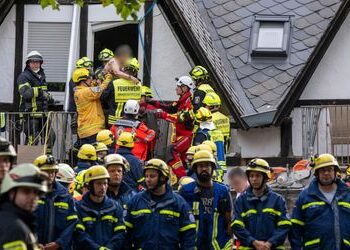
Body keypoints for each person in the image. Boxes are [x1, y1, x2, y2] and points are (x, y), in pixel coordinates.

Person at [124, 158, 196, 249]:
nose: (148, 180)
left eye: (152, 176)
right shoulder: (135, 202)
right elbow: (125, 235)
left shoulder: (178, 203)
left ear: (163, 178)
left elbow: (188, 235)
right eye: (146, 176)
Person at [290, 153, 350, 249]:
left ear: (335, 172)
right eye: (322, 170)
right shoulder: (305, 196)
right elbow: (295, 228)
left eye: (330, 169)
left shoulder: (347, 194)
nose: (326, 173)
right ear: (317, 173)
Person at [232, 158, 290, 250]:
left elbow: (284, 226)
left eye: (258, 176)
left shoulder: (278, 200)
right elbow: (237, 226)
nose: (254, 179)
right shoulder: (241, 201)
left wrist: (270, 243)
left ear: (266, 177)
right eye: (251, 176)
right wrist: (253, 242)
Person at [179, 150, 232, 250]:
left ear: (212, 168)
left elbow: (229, 221)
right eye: (200, 166)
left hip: (218, 246)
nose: (204, 169)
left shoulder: (222, 191)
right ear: (195, 169)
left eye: (207, 166)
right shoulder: (186, 191)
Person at [151, 76, 195, 180]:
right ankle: (187, 178)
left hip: (187, 136)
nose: (176, 89)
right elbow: (171, 108)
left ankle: (183, 178)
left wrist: (163, 115)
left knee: (171, 151)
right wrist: (154, 103)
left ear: (184, 88)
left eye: (178, 86)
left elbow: (180, 118)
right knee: (184, 161)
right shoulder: (182, 101)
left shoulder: (189, 103)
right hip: (181, 135)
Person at [74, 165, 125, 249]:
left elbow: (120, 233)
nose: (103, 187)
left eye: (105, 183)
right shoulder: (78, 208)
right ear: (90, 185)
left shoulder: (115, 207)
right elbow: (79, 234)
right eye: (99, 183)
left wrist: (109, 248)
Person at [33, 155, 78, 249]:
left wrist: (59, 242)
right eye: (46, 171)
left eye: (52, 171)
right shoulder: (30, 194)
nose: (50, 175)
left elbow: (72, 223)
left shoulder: (65, 195)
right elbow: (23, 222)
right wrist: (34, 243)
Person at [0, 163, 47, 250]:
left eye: (36, 192)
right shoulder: (14, 229)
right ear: (11, 193)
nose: (33, 197)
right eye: (26, 191)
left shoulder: (16, 221)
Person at [17, 51, 55, 149]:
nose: (35, 64)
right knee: (32, 139)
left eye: (37, 62)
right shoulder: (24, 76)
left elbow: (44, 94)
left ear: (40, 63)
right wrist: (41, 92)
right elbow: (25, 93)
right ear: (28, 63)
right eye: (33, 62)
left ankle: (46, 160)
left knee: (50, 137)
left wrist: (49, 97)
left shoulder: (42, 75)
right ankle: (26, 161)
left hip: (43, 115)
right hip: (30, 115)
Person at [73, 68, 111, 145]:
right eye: (89, 78)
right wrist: (108, 78)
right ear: (83, 80)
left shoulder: (79, 91)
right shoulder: (85, 92)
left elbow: (92, 88)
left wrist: (97, 81)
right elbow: (100, 89)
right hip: (92, 131)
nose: (91, 80)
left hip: (85, 131)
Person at [101, 57, 142, 126]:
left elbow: (102, 98)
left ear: (124, 69)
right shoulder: (139, 84)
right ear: (135, 73)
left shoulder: (114, 83)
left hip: (115, 121)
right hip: (132, 122)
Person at [193, 107, 226, 181]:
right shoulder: (218, 132)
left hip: (207, 166)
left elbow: (197, 151)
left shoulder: (201, 134)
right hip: (220, 166)